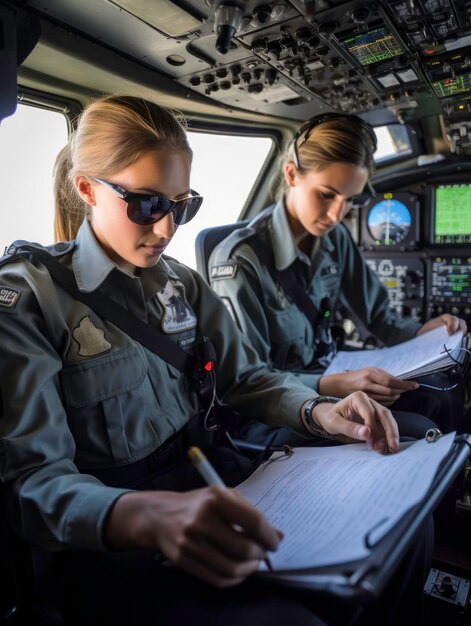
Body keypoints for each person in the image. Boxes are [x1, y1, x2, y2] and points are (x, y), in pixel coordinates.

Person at [0, 96, 426, 626]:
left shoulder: (181, 283)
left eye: (182, 206)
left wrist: (319, 410)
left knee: (394, 524)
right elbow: (33, 485)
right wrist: (145, 516)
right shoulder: (28, 300)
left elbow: (247, 378)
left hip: (210, 478)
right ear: (87, 188)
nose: (166, 229)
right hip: (113, 539)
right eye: (148, 205)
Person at [209, 113, 467, 444]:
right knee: (416, 431)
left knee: (441, 394)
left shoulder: (335, 239)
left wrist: (421, 335)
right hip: (277, 408)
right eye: (327, 194)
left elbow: (378, 317)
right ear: (291, 174)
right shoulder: (240, 261)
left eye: (351, 200)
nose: (336, 214)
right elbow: (249, 381)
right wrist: (332, 386)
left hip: (333, 376)